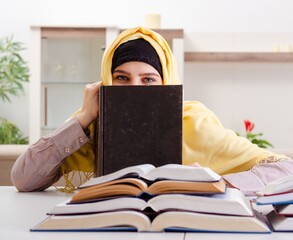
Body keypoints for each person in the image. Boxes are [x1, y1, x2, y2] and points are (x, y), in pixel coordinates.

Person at [11, 26, 293, 195]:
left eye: (148, 79)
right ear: (106, 82)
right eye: (122, 78)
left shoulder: (194, 121)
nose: (135, 88)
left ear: (165, 81)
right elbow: (23, 179)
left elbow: (286, 170)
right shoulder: (88, 123)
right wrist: (85, 117)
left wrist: (216, 183)